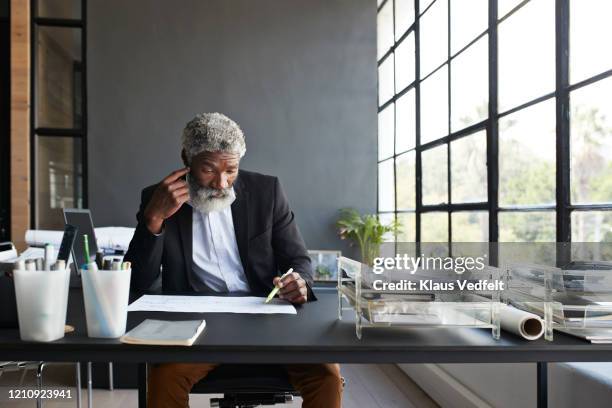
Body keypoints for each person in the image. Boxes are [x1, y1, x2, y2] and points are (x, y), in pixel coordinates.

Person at [124, 112, 343, 408]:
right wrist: (154, 218)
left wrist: (299, 281)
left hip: (267, 319)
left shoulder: (267, 192)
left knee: (327, 376)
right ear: (186, 158)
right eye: (209, 169)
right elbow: (138, 280)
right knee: (165, 378)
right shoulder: (158, 197)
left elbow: (298, 259)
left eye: (231, 170)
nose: (221, 183)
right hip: (195, 326)